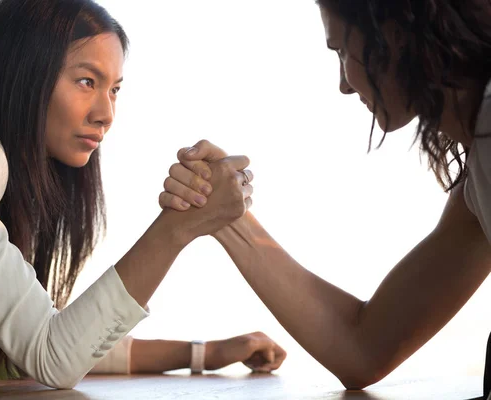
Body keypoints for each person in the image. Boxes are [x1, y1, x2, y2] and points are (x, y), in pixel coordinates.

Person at [0, 0, 288, 393]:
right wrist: (176, 228)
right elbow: (53, 355)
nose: (106, 113)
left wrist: (200, 353)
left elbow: (56, 334)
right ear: (24, 71)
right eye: (87, 82)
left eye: (114, 89)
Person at [160, 0, 491, 397]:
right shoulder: (479, 177)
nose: (344, 84)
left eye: (343, 50)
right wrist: (227, 216)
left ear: (396, 33)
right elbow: (364, 348)